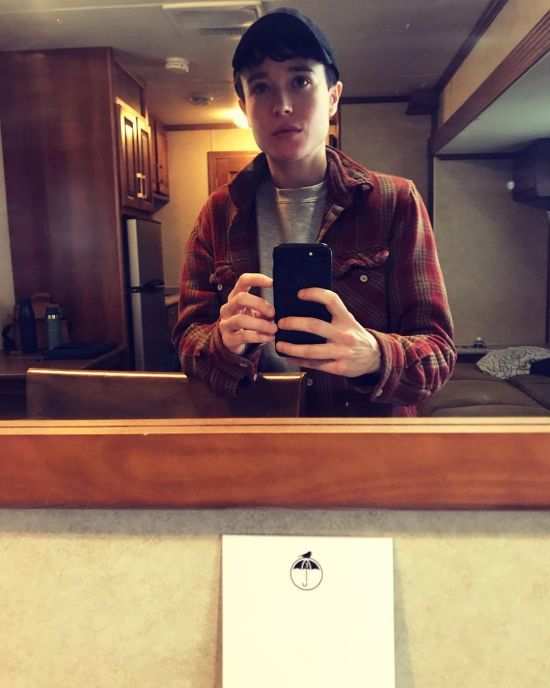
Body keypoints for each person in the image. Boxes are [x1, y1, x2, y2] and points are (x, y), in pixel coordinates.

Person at [172, 7, 456, 417]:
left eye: (301, 81)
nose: (282, 105)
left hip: (367, 440)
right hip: (258, 435)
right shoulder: (217, 213)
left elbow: (438, 353)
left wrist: (373, 355)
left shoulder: (394, 201)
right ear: (244, 106)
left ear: (333, 97)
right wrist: (222, 343)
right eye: (261, 87)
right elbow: (187, 339)